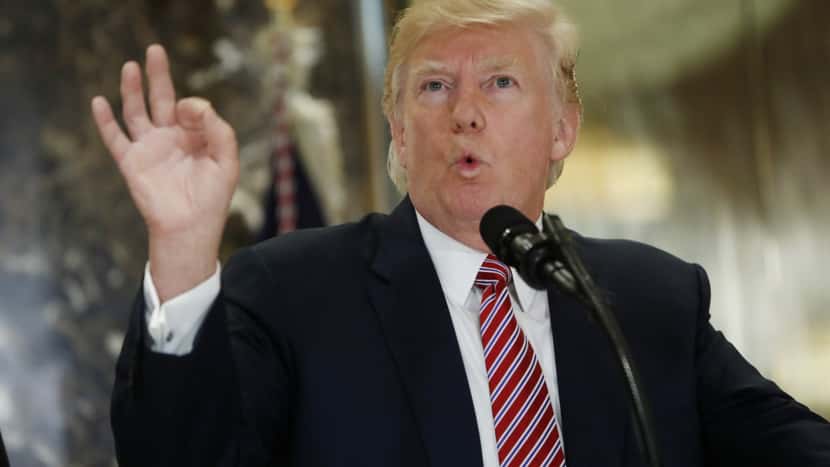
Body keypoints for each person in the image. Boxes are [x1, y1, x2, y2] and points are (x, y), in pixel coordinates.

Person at [91, 1, 830, 466]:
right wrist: (183, 251)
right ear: (399, 131)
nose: (465, 113)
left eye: (501, 83)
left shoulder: (651, 298)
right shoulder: (293, 290)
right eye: (435, 86)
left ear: (562, 129)